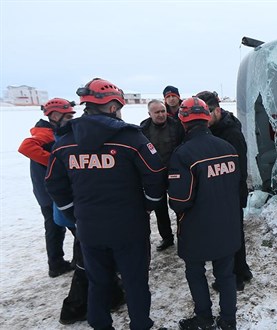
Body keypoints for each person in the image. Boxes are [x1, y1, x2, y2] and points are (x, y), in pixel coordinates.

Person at [45, 78, 167, 330]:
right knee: (134, 281)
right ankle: (140, 325)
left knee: (97, 281)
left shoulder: (65, 142)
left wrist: (73, 214)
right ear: (113, 107)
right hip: (130, 227)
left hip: (90, 228)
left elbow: (53, 184)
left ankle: (100, 324)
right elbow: (156, 175)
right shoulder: (131, 138)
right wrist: (148, 204)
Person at [168, 97, 241, 330]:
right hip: (228, 224)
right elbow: (236, 186)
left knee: (195, 272)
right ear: (207, 119)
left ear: (183, 121)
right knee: (226, 275)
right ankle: (229, 321)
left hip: (197, 227)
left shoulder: (183, 154)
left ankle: (204, 318)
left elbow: (180, 200)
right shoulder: (227, 148)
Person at [196, 91, 253, 291]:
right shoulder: (214, 129)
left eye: (208, 112)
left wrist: (230, 194)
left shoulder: (231, 133)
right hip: (226, 193)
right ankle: (242, 270)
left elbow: (239, 169)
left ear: (217, 110)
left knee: (230, 236)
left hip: (232, 193)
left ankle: (236, 277)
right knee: (233, 233)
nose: (205, 117)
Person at [18, 98, 75, 278]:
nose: (70, 119)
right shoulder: (46, 133)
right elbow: (25, 146)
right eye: (67, 116)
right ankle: (62, 263)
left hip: (48, 190)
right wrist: (55, 161)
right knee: (68, 226)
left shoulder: (53, 131)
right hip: (49, 192)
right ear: (55, 115)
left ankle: (57, 262)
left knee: (58, 227)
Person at [140, 99, 184, 251]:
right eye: (157, 112)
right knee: (160, 209)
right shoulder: (143, 129)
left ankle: (183, 235)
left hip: (175, 173)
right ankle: (167, 238)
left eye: (163, 111)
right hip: (155, 175)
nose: (161, 114)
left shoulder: (176, 125)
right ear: (149, 114)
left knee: (180, 205)